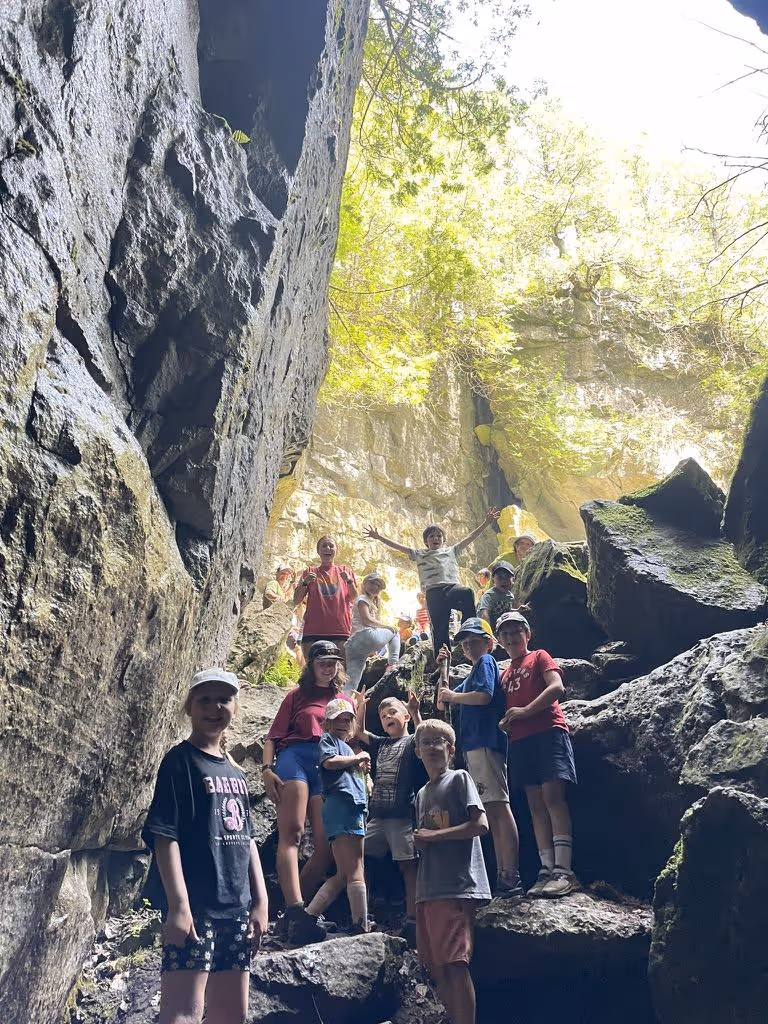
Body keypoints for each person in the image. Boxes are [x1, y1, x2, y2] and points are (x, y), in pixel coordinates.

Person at [142, 668, 269, 1024]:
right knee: (184, 1012)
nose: (215, 707)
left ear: (235, 708)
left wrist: (261, 901)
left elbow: (248, 840)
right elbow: (164, 836)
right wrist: (179, 906)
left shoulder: (237, 774)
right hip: (198, 908)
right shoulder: (179, 761)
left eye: (224, 700)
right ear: (189, 708)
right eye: (205, 699)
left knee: (232, 1014)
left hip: (237, 909)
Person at [261, 642, 349, 944]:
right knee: (293, 833)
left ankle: (291, 912)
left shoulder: (341, 699)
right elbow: (273, 737)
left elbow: (350, 739)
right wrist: (266, 769)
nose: (329, 667)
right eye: (323, 662)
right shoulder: (295, 697)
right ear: (311, 665)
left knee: (326, 847)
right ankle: (298, 908)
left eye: (333, 662)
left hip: (326, 765)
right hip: (294, 759)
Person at [437, 619, 522, 898]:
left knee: (498, 807)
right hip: (475, 746)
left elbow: (484, 697)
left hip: (486, 742)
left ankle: (510, 876)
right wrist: (443, 670)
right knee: (492, 808)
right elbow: (443, 700)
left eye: (474, 640)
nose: (469, 646)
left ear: (489, 642)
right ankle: (504, 876)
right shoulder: (474, 671)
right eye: (465, 642)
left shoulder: (486, 662)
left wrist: (452, 694)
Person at [495, 611, 579, 897]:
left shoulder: (539, 656)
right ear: (499, 640)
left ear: (527, 634)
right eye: (505, 633)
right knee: (534, 804)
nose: (511, 637)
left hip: (548, 732)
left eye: (516, 630)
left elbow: (557, 687)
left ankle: (564, 870)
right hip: (520, 741)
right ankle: (546, 869)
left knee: (553, 797)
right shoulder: (504, 673)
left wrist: (526, 711)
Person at [413, 719, 490, 1024]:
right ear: (417, 751)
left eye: (438, 742)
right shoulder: (420, 794)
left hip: (456, 885)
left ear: (451, 749)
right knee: (436, 966)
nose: (432, 747)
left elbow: (481, 824)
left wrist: (434, 837)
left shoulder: (459, 779)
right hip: (428, 887)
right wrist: (422, 841)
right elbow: (429, 835)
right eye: (425, 742)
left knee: (456, 963)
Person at [363, 508, 501, 656]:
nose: (436, 538)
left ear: (443, 540)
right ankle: (441, 662)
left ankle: (467, 631)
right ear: (426, 541)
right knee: (439, 629)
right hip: (433, 593)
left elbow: (470, 538)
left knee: (467, 593)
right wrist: (379, 537)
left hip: (452, 588)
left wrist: (486, 523)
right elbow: (398, 546)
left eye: (439, 536)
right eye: (431, 536)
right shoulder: (419, 553)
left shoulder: (451, 551)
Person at [353, 691, 426, 944]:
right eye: (383, 716)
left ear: (404, 716)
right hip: (378, 815)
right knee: (358, 856)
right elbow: (359, 734)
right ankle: (364, 911)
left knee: (408, 865)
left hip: (402, 815)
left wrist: (415, 711)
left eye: (392, 713)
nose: (387, 718)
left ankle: (413, 918)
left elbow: (425, 736)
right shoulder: (381, 743)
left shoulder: (411, 742)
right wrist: (361, 707)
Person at [301, 698, 372, 933]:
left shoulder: (347, 747)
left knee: (344, 873)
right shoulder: (328, 741)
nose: (342, 724)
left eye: (347, 720)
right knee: (354, 870)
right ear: (327, 723)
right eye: (337, 720)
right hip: (342, 805)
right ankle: (360, 924)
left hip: (353, 807)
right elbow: (330, 763)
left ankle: (309, 916)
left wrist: (359, 768)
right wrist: (357, 758)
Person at [293, 536, 358, 662]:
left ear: (336, 550)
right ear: (318, 551)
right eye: (324, 546)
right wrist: (305, 583)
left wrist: (349, 582)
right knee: (312, 671)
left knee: (340, 671)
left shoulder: (345, 571)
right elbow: (296, 600)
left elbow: (355, 598)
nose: (328, 548)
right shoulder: (309, 572)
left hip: (340, 631)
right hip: (313, 631)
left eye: (331, 545)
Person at [343, 571, 400, 695]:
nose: (375, 586)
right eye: (372, 583)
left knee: (352, 681)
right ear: (364, 584)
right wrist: (387, 626)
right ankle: (392, 664)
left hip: (353, 645)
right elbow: (366, 620)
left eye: (378, 585)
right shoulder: (362, 598)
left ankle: (342, 702)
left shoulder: (370, 601)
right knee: (395, 631)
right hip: (365, 635)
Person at [476, 561, 517, 633]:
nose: (503, 580)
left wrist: (518, 611)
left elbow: (507, 611)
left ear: (513, 580)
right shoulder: (489, 595)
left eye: (507, 577)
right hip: (483, 628)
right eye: (500, 577)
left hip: (499, 628)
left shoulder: (510, 596)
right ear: (493, 580)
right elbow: (484, 615)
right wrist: (489, 633)